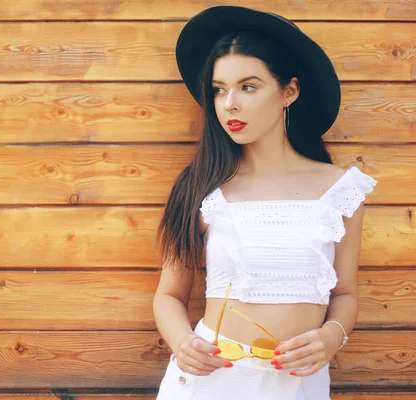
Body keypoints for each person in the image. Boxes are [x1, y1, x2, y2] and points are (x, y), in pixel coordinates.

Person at [153, 6, 377, 400]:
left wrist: (331, 336)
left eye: (249, 86)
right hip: (211, 380)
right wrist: (182, 343)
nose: (229, 104)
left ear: (289, 91)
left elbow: (345, 294)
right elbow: (169, 294)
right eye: (219, 89)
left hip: (296, 384)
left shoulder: (340, 190)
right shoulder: (201, 187)